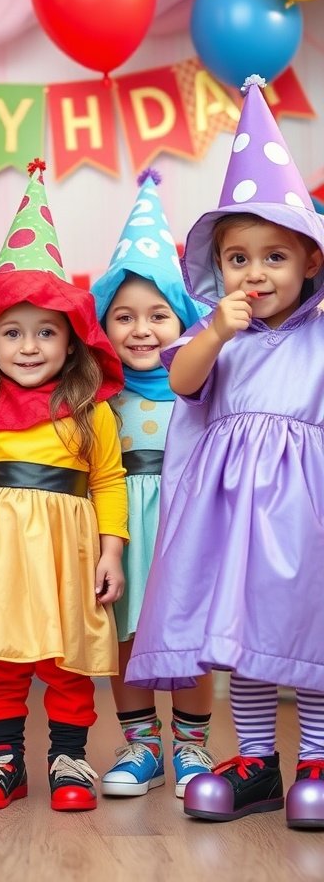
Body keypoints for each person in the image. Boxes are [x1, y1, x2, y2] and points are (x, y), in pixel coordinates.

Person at [126, 76, 324, 829]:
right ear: (219, 269)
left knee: (306, 636)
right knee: (235, 642)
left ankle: (315, 755)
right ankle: (254, 763)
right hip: (232, 520)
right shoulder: (222, 337)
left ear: (310, 262)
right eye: (238, 259)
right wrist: (214, 332)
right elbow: (180, 382)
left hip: (305, 519)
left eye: (275, 256)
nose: (255, 273)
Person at [0, 159, 128, 812]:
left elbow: (108, 480)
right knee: (2, 658)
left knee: (68, 655)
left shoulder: (91, 410)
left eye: (45, 332)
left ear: (71, 343)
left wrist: (111, 549)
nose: (28, 345)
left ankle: (70, 760)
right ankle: (3, 761)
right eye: (12, 332)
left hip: (66, 553)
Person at [90, 170, 214, 802]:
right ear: (102, 325)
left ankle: (193, 744)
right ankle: (144, 745)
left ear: (185, 316)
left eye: (158, 314)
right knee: (126, 636)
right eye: (123, 316)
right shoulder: (97, 396)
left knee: (191, 636)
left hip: (190, 522)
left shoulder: (205, 385)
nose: (140, 329)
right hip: (124, 527)